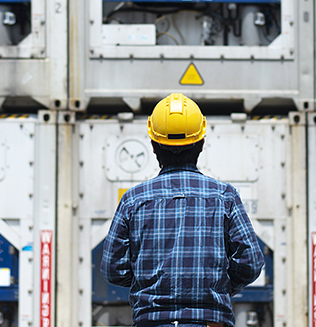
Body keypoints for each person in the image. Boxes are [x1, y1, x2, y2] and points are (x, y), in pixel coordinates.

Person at [101, 93, 265, 327]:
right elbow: (251, 264)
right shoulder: (224, 196)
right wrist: (220, 287)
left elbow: (112, 269)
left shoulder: (133, 200)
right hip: (211, 322)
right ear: (201, 143)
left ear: (153, 146)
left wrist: (150, 283)